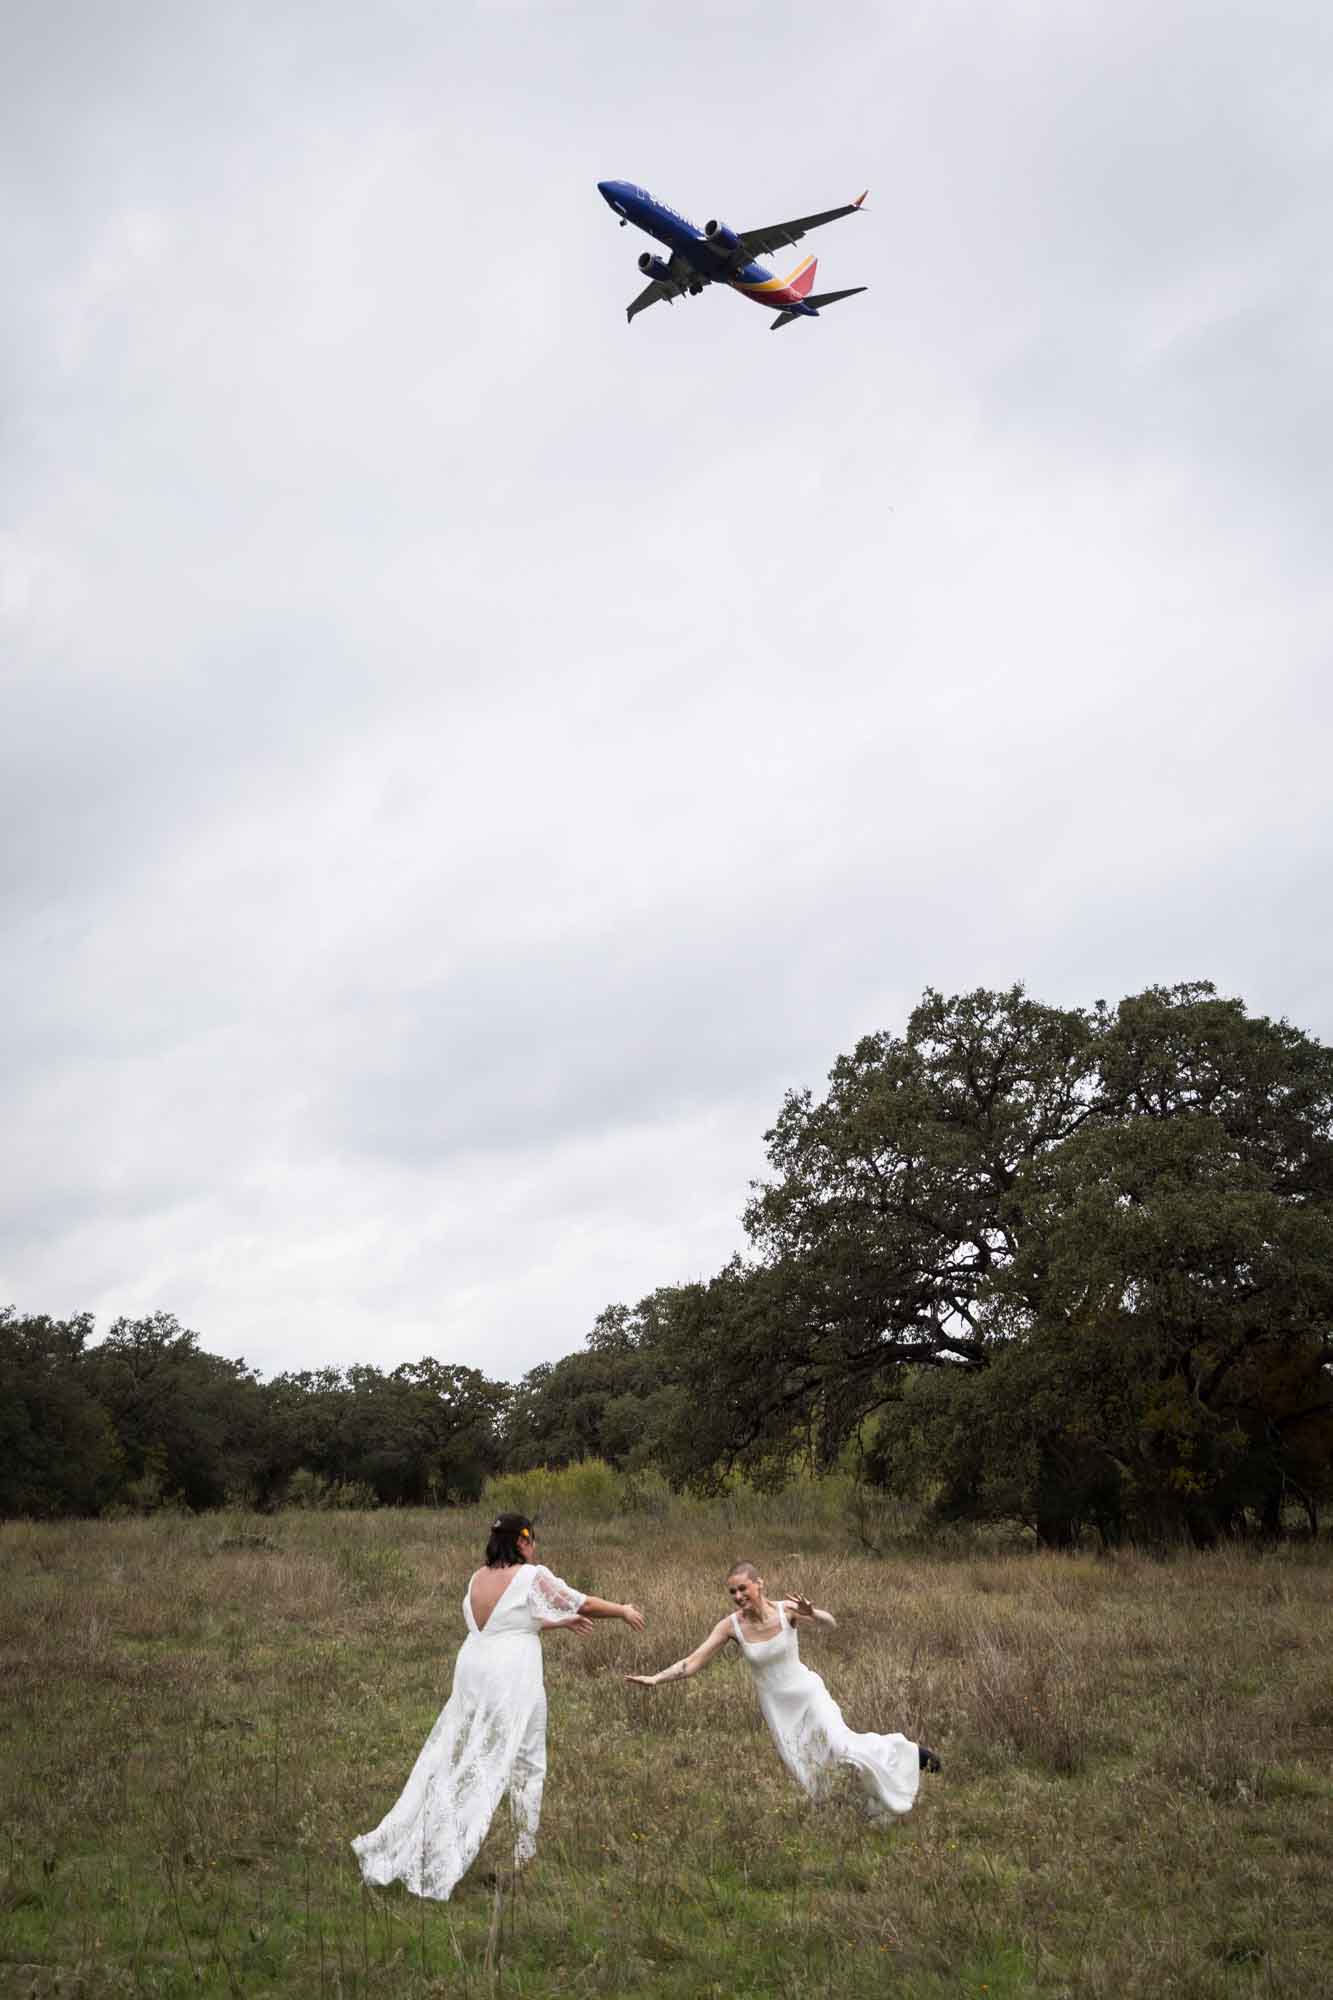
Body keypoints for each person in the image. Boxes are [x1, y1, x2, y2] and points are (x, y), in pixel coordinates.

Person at [352, 1513, 645, 1899]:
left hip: (474, 1668)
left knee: (460, 1755)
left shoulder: (477, 1578)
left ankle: (470, 1841)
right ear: (522, 1542)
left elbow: (505, 1622)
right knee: (515, 1762)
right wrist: (622, 1609)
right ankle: (510, 1852)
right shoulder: (530, 1575)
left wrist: (557, 1623)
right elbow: (582, 1601)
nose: (534, 1548)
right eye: (532, 1541)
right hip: (511, 1675)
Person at [627, 1560, 939, 1819]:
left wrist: (812, 1612)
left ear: (759, 1584)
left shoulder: (785, 1610)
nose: (738, 1596)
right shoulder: (730, 1626)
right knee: (808, 1767)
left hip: (809, 1695)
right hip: (779, 1710)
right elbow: (692, 1662)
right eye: (732, 1591)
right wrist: (656, 1678)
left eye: (743, 1588)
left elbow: (830, 1624)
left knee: (841, 1747)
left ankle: (909, 1754)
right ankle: (852, 1812)